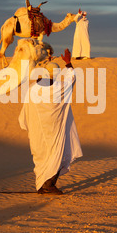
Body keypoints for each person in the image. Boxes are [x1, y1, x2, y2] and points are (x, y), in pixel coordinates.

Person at [18, 49, 83, 194]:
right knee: (56, 155)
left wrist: (46, 63)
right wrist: (68, 63)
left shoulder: (33, 89)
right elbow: (71, 77)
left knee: (42, 158)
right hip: (54, 132)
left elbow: (25, 111)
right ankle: (47, 186)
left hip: (37, 132)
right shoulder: (60, 88)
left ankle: (43, 185)